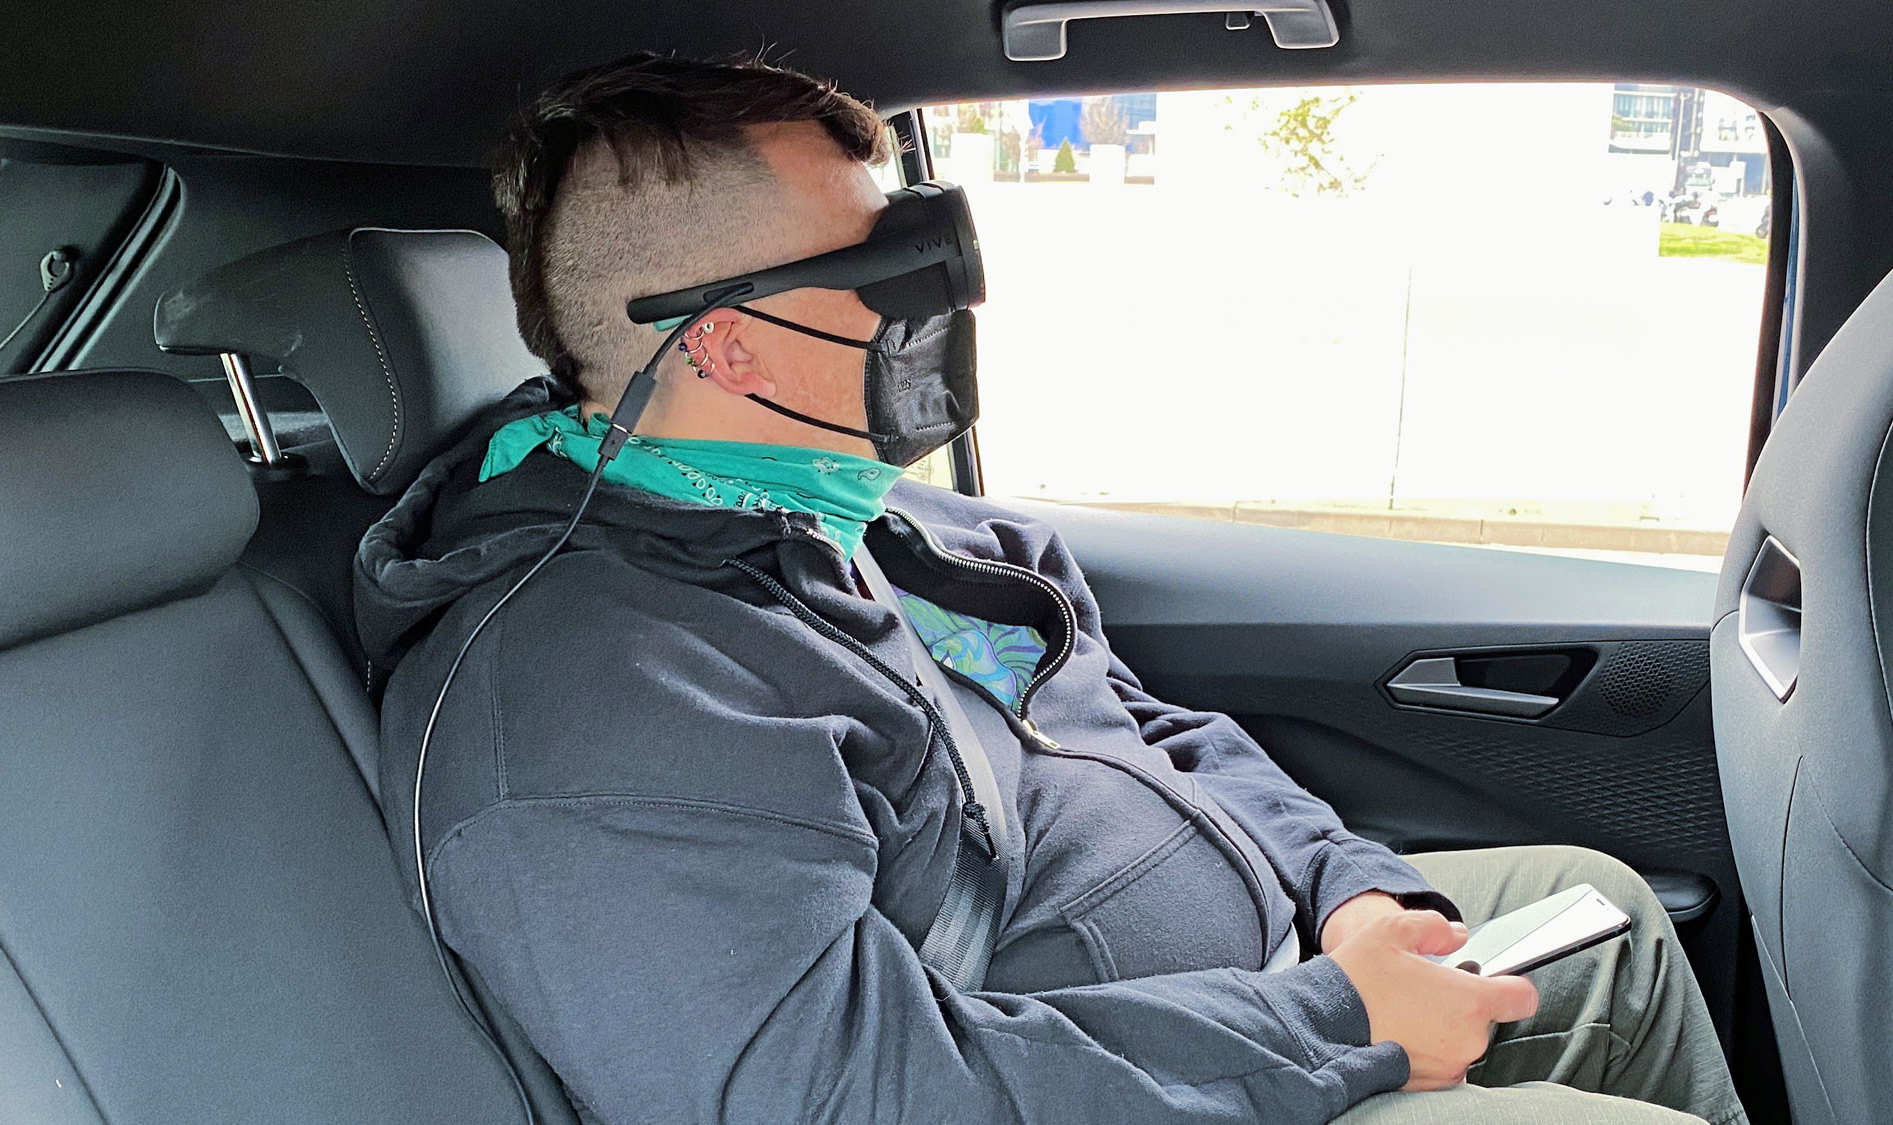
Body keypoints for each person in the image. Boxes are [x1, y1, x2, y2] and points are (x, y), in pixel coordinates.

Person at [354, 53, 1747, 1125]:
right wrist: (1338, 1022)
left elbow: (1153, 733)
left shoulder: (895, 533)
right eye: (888, 271)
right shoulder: (583, 706)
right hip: (1129, 1083)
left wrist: (1351, 896)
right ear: (725, 348)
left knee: (1597, 913)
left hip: (1261, 1004)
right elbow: (841, 1093)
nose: (936, 309)